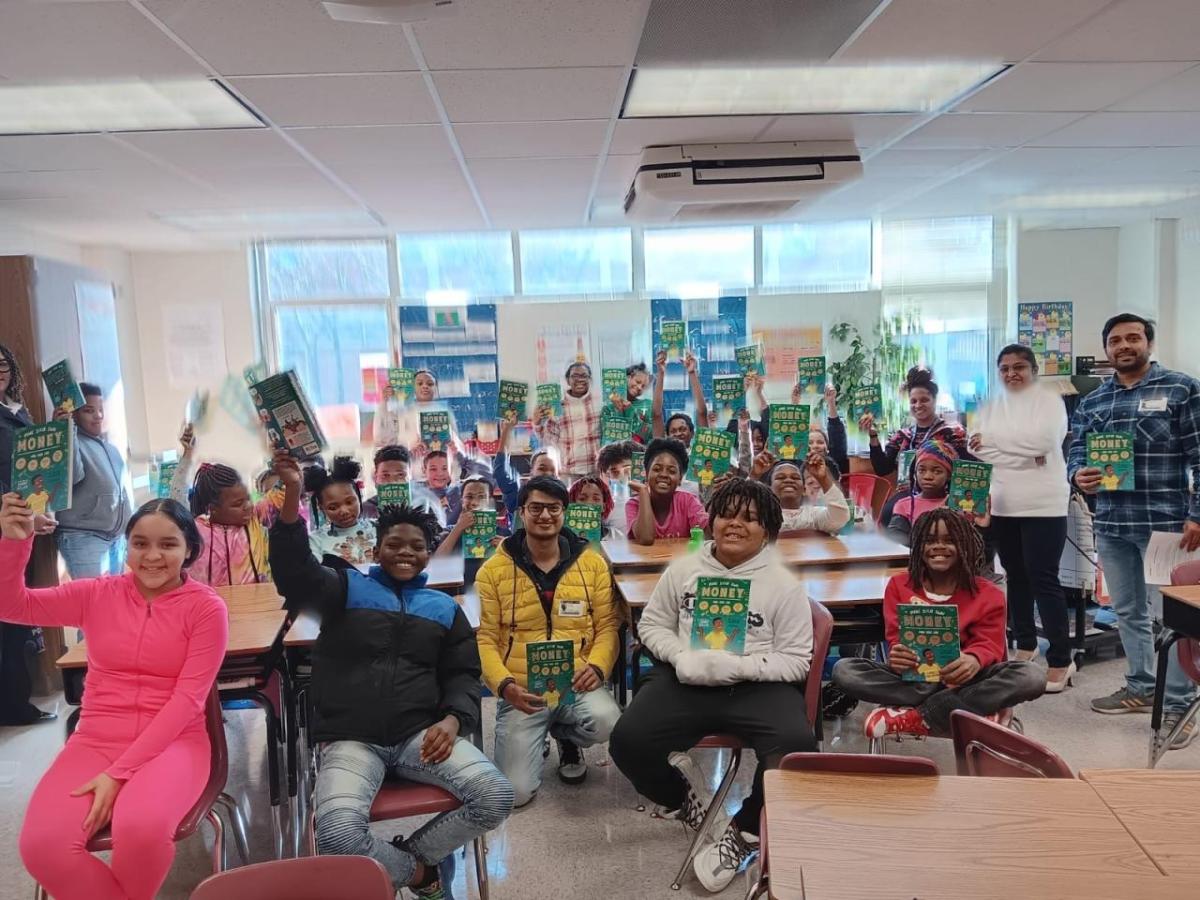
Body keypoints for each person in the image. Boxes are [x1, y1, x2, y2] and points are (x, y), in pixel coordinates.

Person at [268, 451, 513, 899]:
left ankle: (416, 856)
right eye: (395, 545)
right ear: (376, 547)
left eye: (417, 547)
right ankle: (423, 875)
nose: (406, 553)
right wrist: (290, 495)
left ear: (428, 553)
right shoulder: (344, 589)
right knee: (338, 837)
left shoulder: (444, 608)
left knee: (497, 796)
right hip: (351, 738)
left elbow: (462, 674)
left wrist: (454, 719)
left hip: (421, 735)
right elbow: (292, 572)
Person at [4, 493, 228, 900]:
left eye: (168, 544)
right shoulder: (97, 594)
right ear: (127, 546)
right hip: (96, 740)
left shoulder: (206, 609)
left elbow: (187, 701)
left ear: (190, 549)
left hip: (174, 744)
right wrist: (16, 542)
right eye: (140, 543)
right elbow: (11, 604)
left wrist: (119, 773)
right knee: (42, 847)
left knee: (141, 829)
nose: (152, 556)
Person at [610, 478, 816, 893]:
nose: (736, 525)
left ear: (768, 531)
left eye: (751, 519)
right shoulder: (684, 569)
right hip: (686, 677)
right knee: (627, 741)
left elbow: (796, 660)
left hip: (755, 684)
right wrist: (682, 656)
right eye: (727, 514)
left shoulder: (784, 585)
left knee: (796, 747)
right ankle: (680, 798)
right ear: (712, 520)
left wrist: (739, 667)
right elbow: (650, 625)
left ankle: (744, 831)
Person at [1068, 313, 1200, 746]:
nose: (1125, 346)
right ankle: (1142, 687)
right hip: (1112, 522)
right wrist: (1077, 476)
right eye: (1116, 340)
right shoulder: (1094, 401)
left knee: (1171, 616)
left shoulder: (1181, 389)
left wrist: (1197, 513)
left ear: (1148, 342)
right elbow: (1076, 450)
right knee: (1127, 611)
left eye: (1133, 338)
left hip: (1167, 525)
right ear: (1106, 349)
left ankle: (1179, 704)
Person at [832, 507, 1044, 741]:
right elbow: (895, 639)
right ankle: (960, 708)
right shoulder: (898, 585)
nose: (939, 547)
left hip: (969, 679)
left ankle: (924, 715)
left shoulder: (989, 594)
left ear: (966, 545)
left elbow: (990, 645)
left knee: (1031, 676)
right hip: (916, 680)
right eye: (929, 540)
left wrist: (973, 659)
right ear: (918, 547)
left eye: (950, 540)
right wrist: (897, 655)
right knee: (845, 671)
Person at [475, 476, 622, 806]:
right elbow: (486, 638)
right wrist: (505, 686)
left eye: (553, 508)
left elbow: (608, 626)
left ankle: (565, 737)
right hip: (523, 691)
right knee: (515, 794)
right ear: (521, 513)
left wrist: (598, 668)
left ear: (564, 512)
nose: (545, 516)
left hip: (576, 682)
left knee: (606, 723)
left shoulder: (591, 563)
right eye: (536, 508)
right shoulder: (492, 571)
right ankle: (535, 734)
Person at [970, 344, 1073, 693]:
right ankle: (1025, 644)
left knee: (1044, 578)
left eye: (1019, 367)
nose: (1011, 373)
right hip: (1003, 502)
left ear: (1033, 370)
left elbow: (1045, 442)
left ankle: (1061, 659)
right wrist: (1025, 453)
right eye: (1004, 368)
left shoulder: (1049, 401)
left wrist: (999, 444)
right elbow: (975, 446)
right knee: (1015, 576)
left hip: (1045, 503)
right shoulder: (991, 405)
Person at [0, 343, 56, 726]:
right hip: (7, 527)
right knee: (8, 621)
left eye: (3, 363)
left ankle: (15, 704)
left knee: (17, 622)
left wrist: (41, 511)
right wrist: (21, 518)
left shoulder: (18, 412)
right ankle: (14, 707)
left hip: (24, 527)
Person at [169, 428, 269, 586]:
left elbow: (283, 493)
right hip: (209, 607)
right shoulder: (196, 531)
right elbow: (177, 498)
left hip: (254, 606)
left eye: (248, 499)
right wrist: (188, 454)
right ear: (212, 508)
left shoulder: (255, 521)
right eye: (237, 504)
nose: (247, 507)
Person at [52, 383, 131, 579]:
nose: (98, 416)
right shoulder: (72, 440)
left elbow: (122, 491)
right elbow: (72, 475)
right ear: (75, 414)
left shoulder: (110, 449)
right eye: (89, 410)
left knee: (115, 600)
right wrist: (65, 431)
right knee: (95, 602)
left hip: (115, 538)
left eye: (100, 410)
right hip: (83, 537)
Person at [861, 366, 970, 477]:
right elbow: (882, 469)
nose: (918, 405)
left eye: (924, 400)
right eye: (913, 401)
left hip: (943, 494)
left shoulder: (953, 433)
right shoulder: (902, 436)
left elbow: (969, 471)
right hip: (906, 493)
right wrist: (873, 435)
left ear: (935, 400)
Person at [626, 438, 709, 545]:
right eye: (656, 469)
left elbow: (708, 536)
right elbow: (645, 538)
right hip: (646, 561)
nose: (664, 475)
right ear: (646, 474)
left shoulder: (689, 501)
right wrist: (643, 492)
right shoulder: (633, 504)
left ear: (680, 479)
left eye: (672, 471)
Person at [753, 451, 850, 534]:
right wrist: (754, 475)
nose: (788, 480)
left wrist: (823, 478)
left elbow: (840, 518)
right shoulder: (761, 516)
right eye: (780, 477)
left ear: (804, 489)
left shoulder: (813, 515)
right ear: (769, 489)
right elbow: (739, 511)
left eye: (795, 478)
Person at [534, 361, 601, 479]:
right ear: (567, 380)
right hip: (568, 472)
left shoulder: (600, 404)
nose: (579, 379)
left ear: (589, 379)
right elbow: (547, 441)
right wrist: (537, 423)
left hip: (596, 470)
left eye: (584, 376)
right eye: (575, 376)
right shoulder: (556, 406)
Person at [306, 456, 377, 566]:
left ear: (359, 496)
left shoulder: (379, 527)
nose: (344, 511)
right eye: (333, 507)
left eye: (349, 502)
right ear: (321, 507)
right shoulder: (316, 540)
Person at [493, 416, 559, 527]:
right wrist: (506, 431)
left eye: (552, 470)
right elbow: (500, 471)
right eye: (542, 468)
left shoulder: (563, 498)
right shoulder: (519, 495)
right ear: (531, 472)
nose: (547, 473)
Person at [434, 474, 507, 557]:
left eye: (481, 497)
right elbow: (435, 563)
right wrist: (458, 528)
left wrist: (507, 549)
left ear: (490, 501)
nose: (475, 503)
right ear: (462, 501)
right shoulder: (448, 532)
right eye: (469, 497)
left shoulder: (504, 534)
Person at [653, 349, 709, 444]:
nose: (678, 434)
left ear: (692, 433)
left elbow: (702, 412)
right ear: (666, 435)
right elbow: (656, 414)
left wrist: (692, 372)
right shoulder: (663, 450)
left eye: (682, 429)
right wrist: (661, 373)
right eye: (673, 431)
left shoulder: (699, 452)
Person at [602, 362, 653, 444]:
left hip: (638, 453)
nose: (640, 388)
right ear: (627, 378)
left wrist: (631, 413)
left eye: (643, 386)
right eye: (637, 382)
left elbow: (650, 436)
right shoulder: (608, 407)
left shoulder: (647, 405)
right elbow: (605, 438)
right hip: (615, 453)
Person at [597, 440, 638, 538]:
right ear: (604, 474)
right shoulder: (602, 504)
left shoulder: (652, 499)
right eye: (614, 472)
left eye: (628, 470)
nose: (622, 476)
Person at [422, 450, 462, 524]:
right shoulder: (418, 495)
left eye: (445, 468)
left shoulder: (460, 492)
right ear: (424, 471)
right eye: (433, 469)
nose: (440, 474)